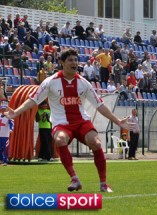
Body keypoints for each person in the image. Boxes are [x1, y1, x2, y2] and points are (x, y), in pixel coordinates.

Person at [4, 48, 135, 192]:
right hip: (61, 124)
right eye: (71, 60)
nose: (74, 63)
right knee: (60, 140)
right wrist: (15, 112)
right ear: (62, 62)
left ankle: (103, 184)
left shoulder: (84, 83)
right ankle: (75, 179)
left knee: (96, 143)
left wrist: (117, 121)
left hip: (81, 122)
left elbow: (99, 105)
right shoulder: (50, 82)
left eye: (76, 60)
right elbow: (33, 100)